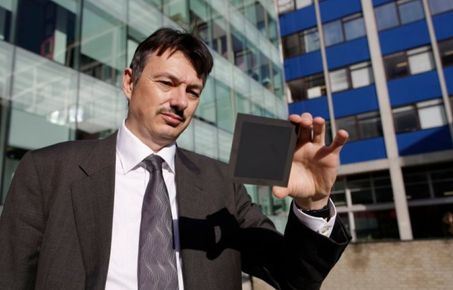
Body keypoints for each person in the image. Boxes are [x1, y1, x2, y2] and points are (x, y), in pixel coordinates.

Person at [0, 27, 350, 290]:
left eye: (192, 91)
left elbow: (294, 277)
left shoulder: (221, 183)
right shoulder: (48, 170)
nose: (180, 101)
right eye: (167, 83)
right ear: (129, 82)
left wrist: (313, 202)